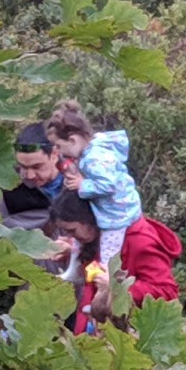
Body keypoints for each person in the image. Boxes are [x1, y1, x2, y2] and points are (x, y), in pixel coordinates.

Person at [49, 192, 181, 335]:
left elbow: (167, 292)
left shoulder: (140, 241)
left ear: (92, 218)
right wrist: (73, 252)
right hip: (90, 329)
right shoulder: (97, 237)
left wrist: (118, 287)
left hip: (124, 337)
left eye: (72, 230)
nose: (70, 236)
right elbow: (96, 271)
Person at [45, 101, 143, 269]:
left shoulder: (95, 158)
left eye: (60, 147)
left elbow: (108, 185)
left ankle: (106, 277)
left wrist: (83, 185)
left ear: (73, 140)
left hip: (118, 213)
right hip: (107, 208)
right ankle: (73, 270)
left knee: (108, 252)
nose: (60, 152)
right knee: (77, 240)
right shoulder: (89, 153)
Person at [0, 123, 71, 232]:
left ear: (54, 154)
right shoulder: (8, 187)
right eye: (23, 167)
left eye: (37, 166)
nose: (30, 175)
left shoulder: (79, 180)